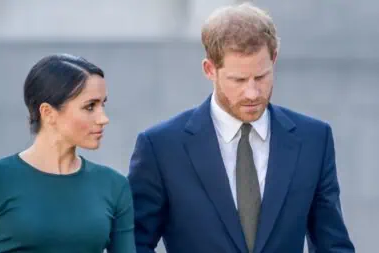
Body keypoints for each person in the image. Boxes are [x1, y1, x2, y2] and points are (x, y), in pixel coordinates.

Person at [128, 3, 354, 253]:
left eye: (261, 77)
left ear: (274, 59)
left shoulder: (314, 140)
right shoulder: (161, 147)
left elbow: (332, 244)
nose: (252, 93)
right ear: (209, 70)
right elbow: (132, 245)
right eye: (238, 80)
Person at [0, 54, 135, 253]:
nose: (103, 118)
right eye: (90, 107)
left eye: (103, 105)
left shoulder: (114, 186)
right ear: (48, 113)